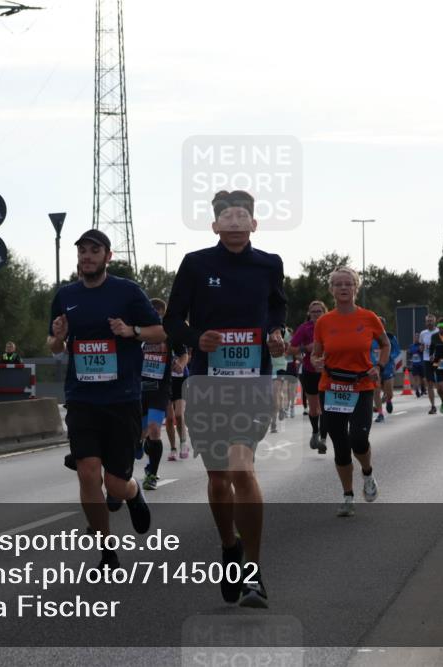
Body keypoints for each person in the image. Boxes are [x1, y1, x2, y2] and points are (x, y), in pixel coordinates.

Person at [163, 189, 286, 608]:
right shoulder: (196, 264)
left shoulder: (269, 264)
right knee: (218, 478)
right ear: (215, 225)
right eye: (226, 217)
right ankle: (229, 547)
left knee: (241, 469)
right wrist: (198, 337)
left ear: (254, 224)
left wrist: (275, 333)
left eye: (242, 216)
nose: (234, 222)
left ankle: (253, 571)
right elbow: (171, 322)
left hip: (252, 384)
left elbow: (277, 309)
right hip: (206, 383)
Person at [49, 228, 163, 570]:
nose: (87, 256)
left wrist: (132, 332)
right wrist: (58, 339)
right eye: (82, 251)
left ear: (107, 256)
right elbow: (53, 347)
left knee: (114, 483)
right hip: (82, 398)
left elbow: (159, 331)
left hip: (121, 399)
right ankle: (107, 550)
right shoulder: (65, 295)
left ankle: (132, 493)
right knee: (88, 473)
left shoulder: (127, 292)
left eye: (94, 250)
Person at [311, 267, 389, 517]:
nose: (343, 288)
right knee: (341, 446)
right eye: (338, 284)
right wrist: (316, 361)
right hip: (332, 387)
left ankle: (367, 473)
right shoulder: (324, 321)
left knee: (358, 438)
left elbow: (385, 344)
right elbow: (316, 353)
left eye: (348, 284)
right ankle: (348, 496)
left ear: (356, 288)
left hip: (361, 386)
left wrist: (379, 366)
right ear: (332, 290)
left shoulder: (369, 318)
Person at [138, 298, 187, 490]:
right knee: (141, 433)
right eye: (152, 314)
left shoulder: (170, 333)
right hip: (138, 389)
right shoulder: (138, 332)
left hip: (160, 388)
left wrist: (180, 364)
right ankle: (139, 445)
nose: (155, 318)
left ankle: (152, 474)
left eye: (158, 315)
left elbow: (183, 354)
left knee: (154, 429)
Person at [291, 301, 328, 454]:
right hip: (310, 372)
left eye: (319, 311)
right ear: (309, 313)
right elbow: (291, 349)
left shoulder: (330, 325)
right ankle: (315, 432)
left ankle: (323, 440)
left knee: (327, 408)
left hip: (328, 372)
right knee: (314, 409)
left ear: (324, 312)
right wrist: (305, 348)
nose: (316, 314)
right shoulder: (304, 328)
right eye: (313, 312)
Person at [372, 317, 399, 423]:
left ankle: (388, 400)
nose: (378, 325)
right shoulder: (370, 336)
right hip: (374, 367)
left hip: (387, 367)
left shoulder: (390, 337)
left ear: (384, 325)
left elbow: (396, 350)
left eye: (381, 324)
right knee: (376, 389)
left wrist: (389, 356)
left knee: (389, 392)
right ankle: (380, 413)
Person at [165, 346, 190, 460]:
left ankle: (183, 443)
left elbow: (186, 355)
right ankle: (173, 448)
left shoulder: (178, 339)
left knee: (179, 415)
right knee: (169, 418)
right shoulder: (158, 339)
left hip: (180, 380)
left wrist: (180, 364)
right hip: (165, 382)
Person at [418, 314, 439, 414]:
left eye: (431, 321)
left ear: (434, 322)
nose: (429, 322)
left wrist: (435, 354)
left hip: (438, 360)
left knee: (439, 384)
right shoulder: (423, 333)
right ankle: (433, 406)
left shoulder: (438, 332)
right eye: (428, 321)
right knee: (430, 384)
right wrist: (421, 348)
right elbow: (421, 346)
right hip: (427, 360)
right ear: (425, 322)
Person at [407, 333, 425, 398]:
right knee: (416, 378)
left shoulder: (422, 345)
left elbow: (422, 350)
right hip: (414, 364)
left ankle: (423, 388)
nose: (416, 338)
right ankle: (417, 390)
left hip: (422, 364)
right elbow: (409, 352)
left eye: (418, 337)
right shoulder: (411, 346)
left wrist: (419, 349)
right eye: (415, 337)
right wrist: (415, 350)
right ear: (414, 338)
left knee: (422, 379)